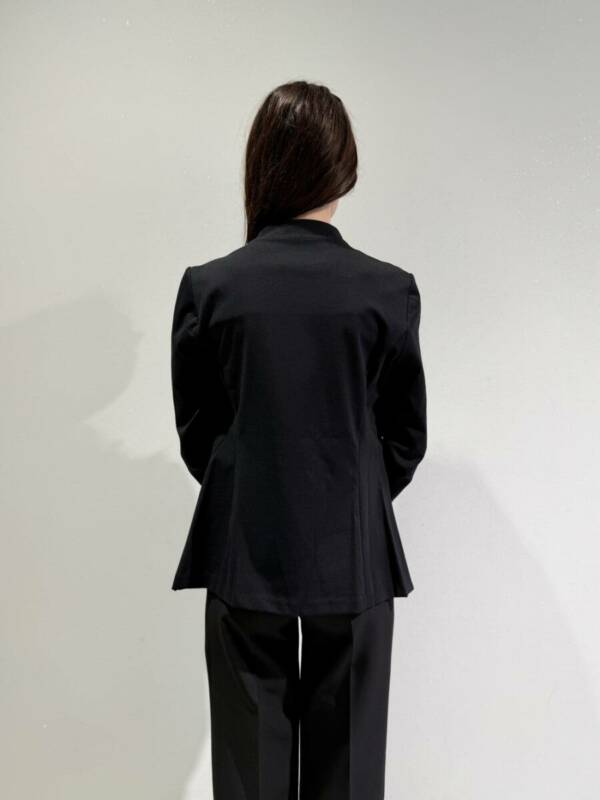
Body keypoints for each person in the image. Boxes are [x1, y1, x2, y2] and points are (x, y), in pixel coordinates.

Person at [170, 79, 427, 800]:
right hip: (355, 554)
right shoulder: (387, 290)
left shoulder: (212, 288)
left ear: (262, 166)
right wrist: (347, 491)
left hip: (245, 550)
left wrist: (259, 486)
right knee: (349, 776)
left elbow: (199, 432)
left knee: (249, 773)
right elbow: (405, 437)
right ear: (343, 169)